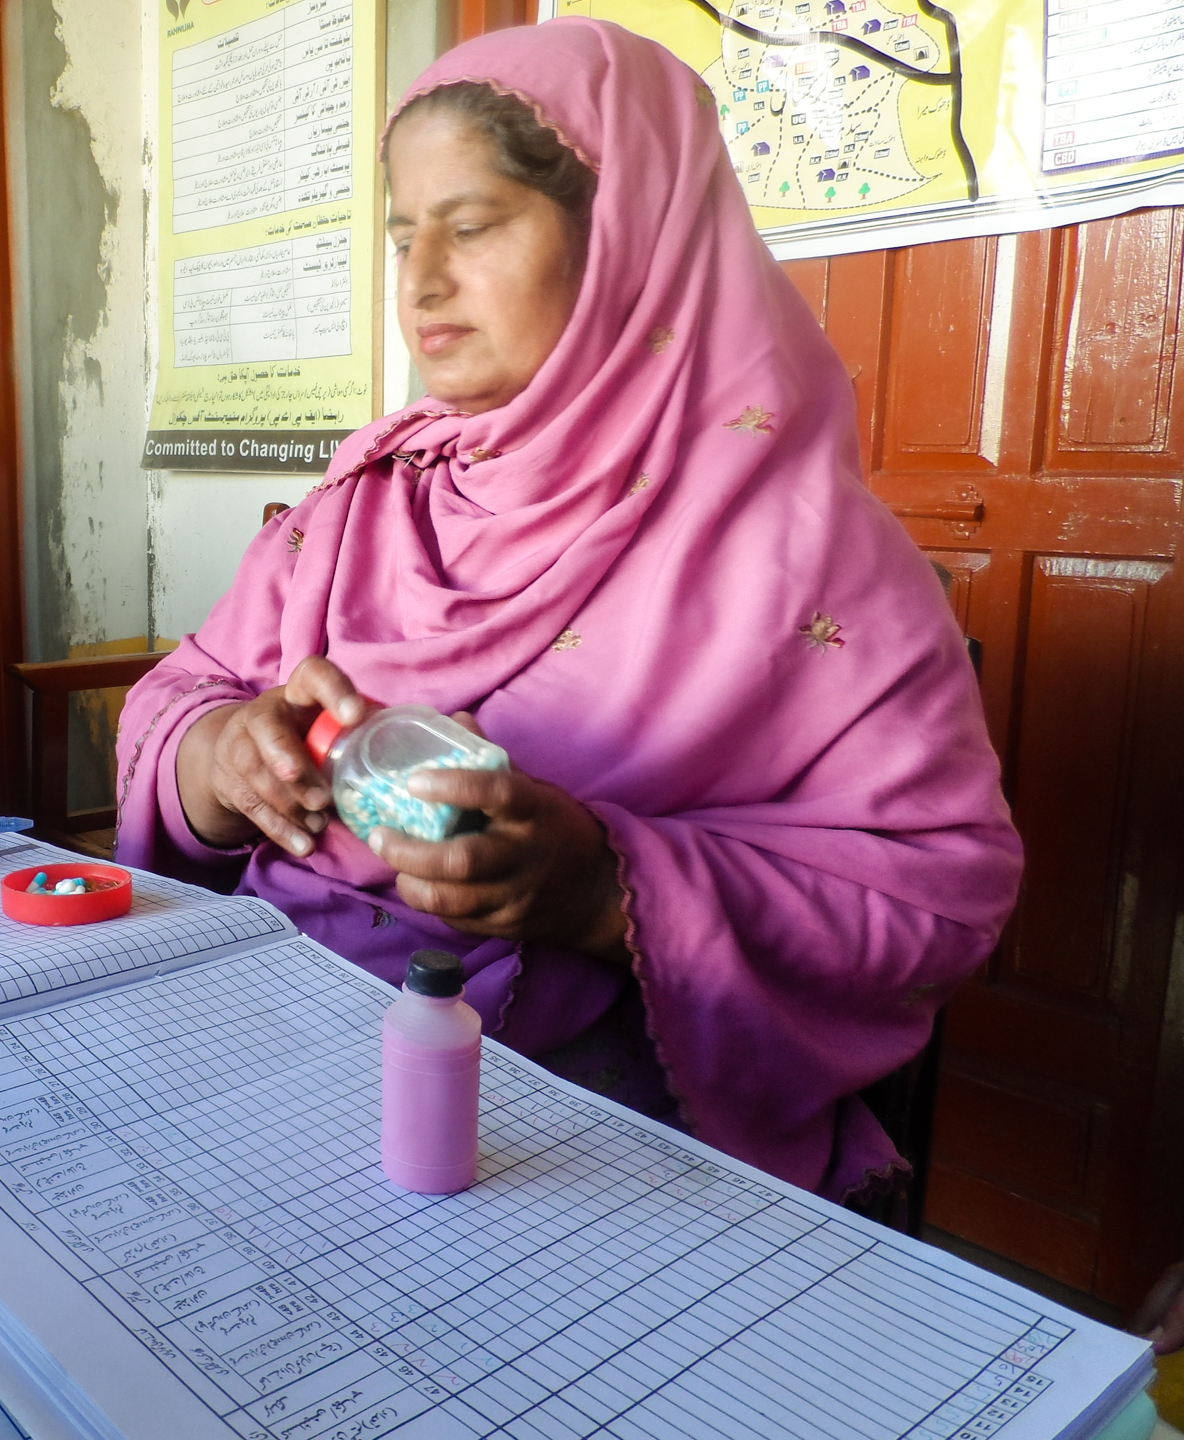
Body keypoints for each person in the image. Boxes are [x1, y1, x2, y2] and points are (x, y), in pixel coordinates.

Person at [114, 19, 1024, 1205]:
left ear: (630, 239)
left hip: (582, 1126)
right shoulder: (363, 499)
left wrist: (605, 889)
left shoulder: (807, 560)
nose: (422, 281)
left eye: (474, 225)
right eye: (403, 237)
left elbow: (933, 898)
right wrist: (222, 754)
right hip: (271, 1042)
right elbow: (176, 698)